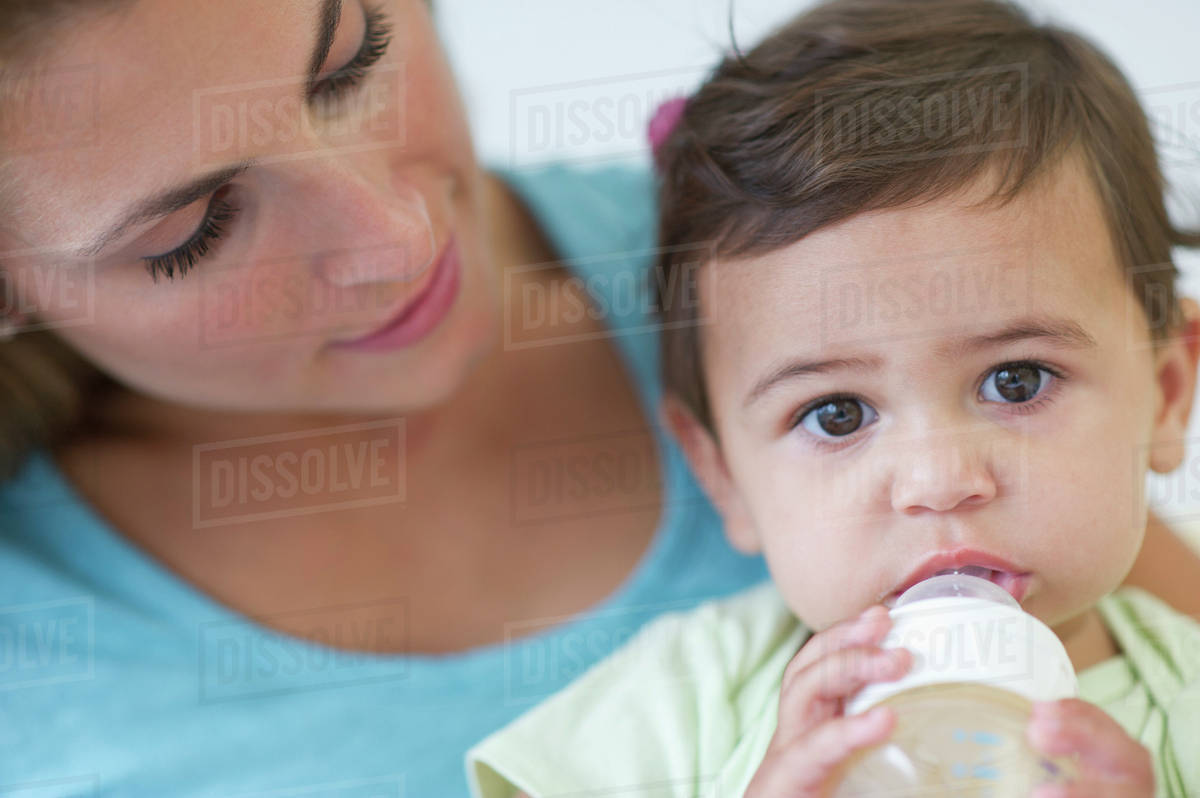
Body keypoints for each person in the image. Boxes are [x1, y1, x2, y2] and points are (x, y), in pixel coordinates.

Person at [465, 0, 1200, 796]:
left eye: (1015, 380)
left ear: (1165, 393)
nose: (938, 480)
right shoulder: (685, 698)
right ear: (722, 475)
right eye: (837, 413)